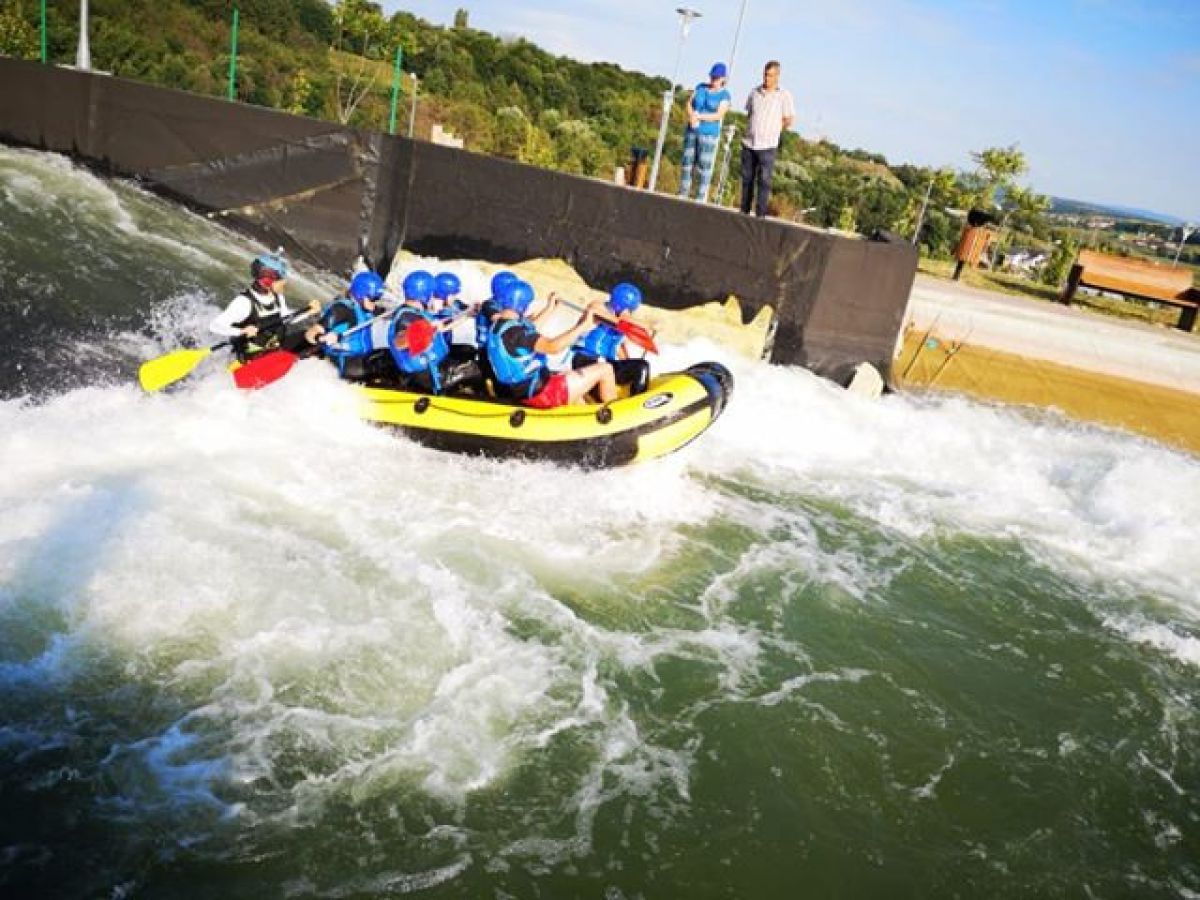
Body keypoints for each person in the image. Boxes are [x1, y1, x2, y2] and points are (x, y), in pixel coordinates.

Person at [487, 279, 617, 409]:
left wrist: (550, 308)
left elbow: (531, 329)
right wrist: (584, 326)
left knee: (574, 385)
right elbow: (553, 347)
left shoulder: (500, 326)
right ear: (523, 305)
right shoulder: (517, 333)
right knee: (605, 369)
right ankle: (616, 413)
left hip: (523, 391)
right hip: (542, 394)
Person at [209, 252, 322, 361]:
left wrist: (308, 311)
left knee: (312, 334)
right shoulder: (244, 302)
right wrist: (241, 331)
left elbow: (287, 318)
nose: (284, 282)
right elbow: (215, 326)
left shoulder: (277, 296)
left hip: (275, 347)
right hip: (252, 356)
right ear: (267, 281)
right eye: (281, 279)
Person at [388, 270, 482, 395]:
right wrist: (426, 329)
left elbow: (440, 328)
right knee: (474, 370)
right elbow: (399, 343)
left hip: (434, 365)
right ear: (424, 295)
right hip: (426, 376)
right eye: (432, 294)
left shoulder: (416, 312)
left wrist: (467, 314)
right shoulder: (406, 316)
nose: (434, 298)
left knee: (468, 352)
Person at [571, 282, 651, 394]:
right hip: (586, 360)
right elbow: (617, 321)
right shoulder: (598, 307)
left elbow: (618, 346)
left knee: (641, 366)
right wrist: (627, 319)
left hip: (608, 363)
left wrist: (629, 366)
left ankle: (638, 399)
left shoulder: (625, 321)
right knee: (606, 369)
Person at [740, 60, 796, 218]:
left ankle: (760, 215)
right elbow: (749, 113)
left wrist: (776, 129)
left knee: (764, 181)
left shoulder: (784, 96)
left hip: (768, 145)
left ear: (777, 76)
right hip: (750, 143)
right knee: (747, 179)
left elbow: (789, 119)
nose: (767, 78)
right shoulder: (754, 92)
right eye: (765, 75)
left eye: (770, 75)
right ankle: (744, 211)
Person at [318, 270, 391, 380]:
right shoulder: (341, 309)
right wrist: (320, 337)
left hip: (359, 358)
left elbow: (386, 314)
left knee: (389, 354)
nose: (375, 302)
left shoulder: (367, 308)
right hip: (343, 362)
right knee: (386, 362)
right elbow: (313, 332)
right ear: (360, 295)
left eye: (378, 299)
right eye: (373, 299)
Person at [678, 63, 731, 203]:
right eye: (712, 77)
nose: (714, 80)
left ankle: (700, 197)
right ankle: (683, 193)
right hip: (692, 129)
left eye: (717, 78)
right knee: (687, 162)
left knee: (704, 165)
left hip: (708, 134)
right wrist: (692, 115)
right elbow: (689, 103)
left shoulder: (724, 95)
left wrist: (700, 117)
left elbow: (718, 115)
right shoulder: (700, 87)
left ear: (723, 78)